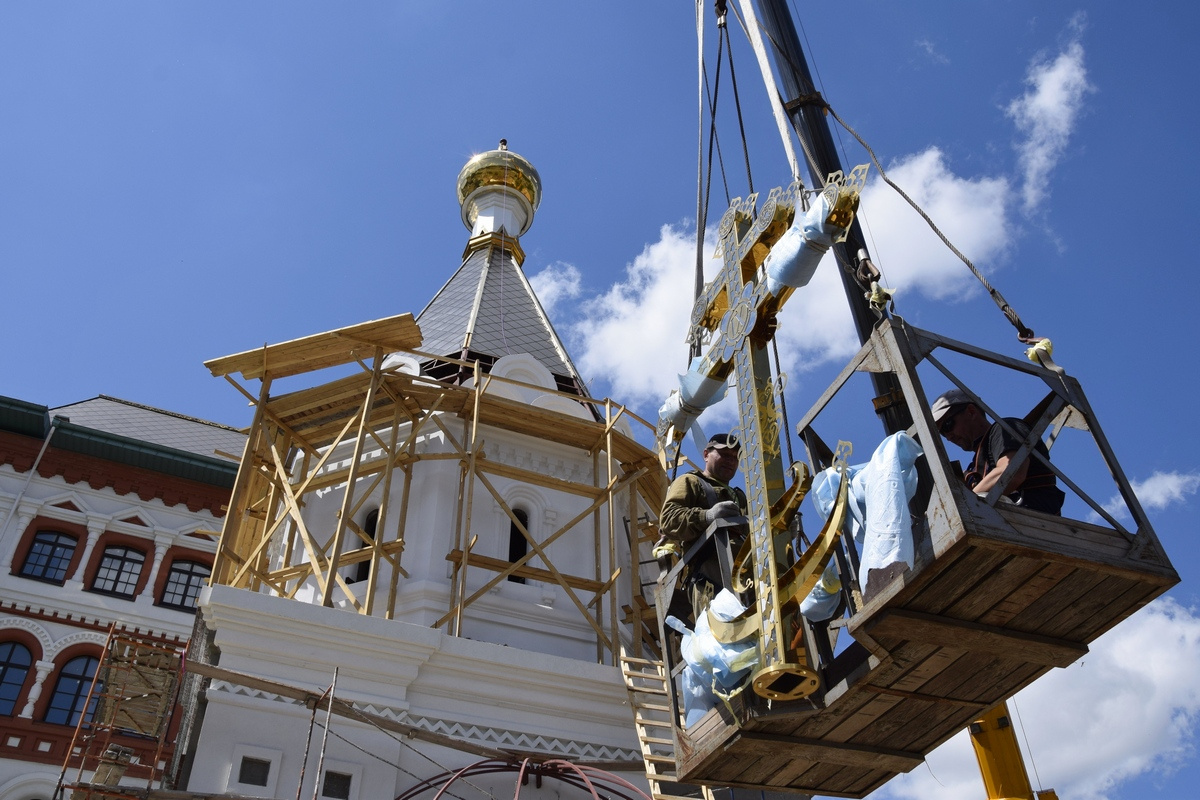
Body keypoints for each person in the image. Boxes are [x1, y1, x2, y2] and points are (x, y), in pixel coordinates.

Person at [655, 432, 748, 615]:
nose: (730, 460)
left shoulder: (741, 497)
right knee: (720, 637)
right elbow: (668, 520)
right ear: (706, 454)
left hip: (746, 576)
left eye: (735, 457)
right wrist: (707, 516)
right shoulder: (691, 482)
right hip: (711, 577)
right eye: (724, 454)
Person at [931, 388, 1065, 515]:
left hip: (1035, 520)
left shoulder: (1005, 429)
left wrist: (964, 503)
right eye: (943, 433)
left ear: (971, 411)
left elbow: (1011, 472)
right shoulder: (975, 466)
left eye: (948, 425)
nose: (949, 437)